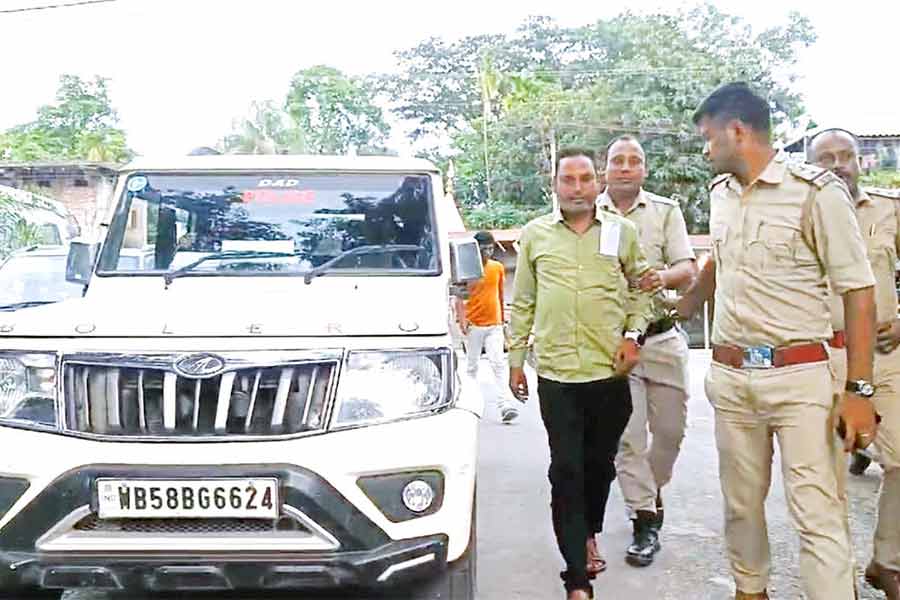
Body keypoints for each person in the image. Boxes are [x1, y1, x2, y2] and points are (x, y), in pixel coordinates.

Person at [677, 82, 878, 600]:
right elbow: (720, 263)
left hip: (799, 378)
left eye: (708, 138)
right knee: (740, 507)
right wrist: (682, 305)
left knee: (817, 512)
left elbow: (858, 290)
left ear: (736, 131)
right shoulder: (721, 196)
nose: (705, 150)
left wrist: (859, 390)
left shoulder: (816, 192)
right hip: (731, 379)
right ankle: (749, 591)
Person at [508, 147, 652, 600]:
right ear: (554, 185)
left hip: (608, 374)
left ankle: (588, 531)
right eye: (567, 179)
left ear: (598, 184)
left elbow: (643, 290)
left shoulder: (622, 233)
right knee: (565, 470)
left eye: (584, 178)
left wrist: (634, 336)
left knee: (599, 467)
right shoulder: (534, 236)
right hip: (557, 377)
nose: (576, 187)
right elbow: (524, 301)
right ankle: (577, 578)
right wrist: (515, 361)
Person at [598, 135, 697, 567]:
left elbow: (688, 269)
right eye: (617, 160)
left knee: (671, 433)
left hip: (661, 338)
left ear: (644, 169)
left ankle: (649, 493)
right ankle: (643, 520)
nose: (625, 167)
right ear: (606, 168)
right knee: (627, 437)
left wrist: (662, 277)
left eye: (633, 161)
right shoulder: (585, 213)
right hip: (614, 344)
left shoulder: (665, 211)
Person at [810, 127, 900, 597]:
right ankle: (835, 580)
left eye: (846, 155)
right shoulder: (800, 214)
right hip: (823, 357)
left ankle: (887, 561)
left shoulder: (889, 209)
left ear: (861, 161)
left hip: (886, 355)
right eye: (826, 158)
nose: (839, 164)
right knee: (826, 478)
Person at [455, 230, 520, 424]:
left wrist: (502, 319)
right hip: (474, 325)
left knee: (498, 364)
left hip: (495, 324)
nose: (488, 252)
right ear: (476, 250)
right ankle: (471, 405)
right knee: (472, 367)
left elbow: (499, 294)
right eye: (484, 249)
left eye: (491, 248)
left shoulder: (497, 268)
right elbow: (459, 297)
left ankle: (505, 405)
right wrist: (462, 320)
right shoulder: (466, 270)